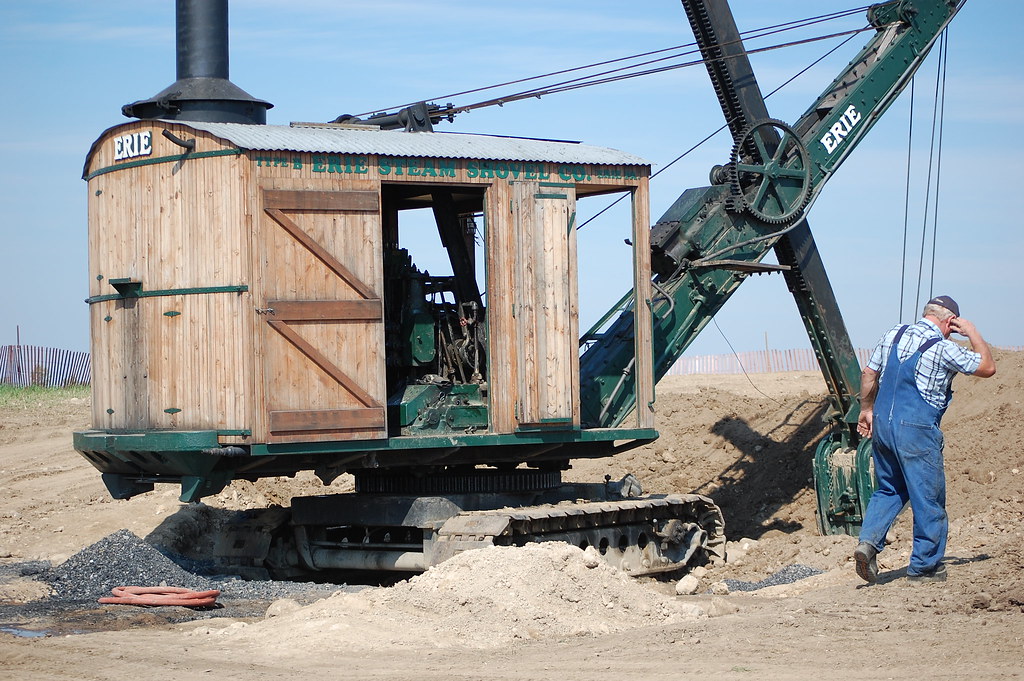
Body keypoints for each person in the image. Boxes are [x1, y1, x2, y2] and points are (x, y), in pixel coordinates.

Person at [853, 295, 996, 584]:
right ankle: (925, 567)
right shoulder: (945, 348)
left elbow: (869, 373)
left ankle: (867, 543)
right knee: (928, 497)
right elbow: (987, 367)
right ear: (949, 322)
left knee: (889, 489)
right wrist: (972, 332)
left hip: (883, 424)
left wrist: (866, 410)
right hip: (916, 430)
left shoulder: (894, 333)